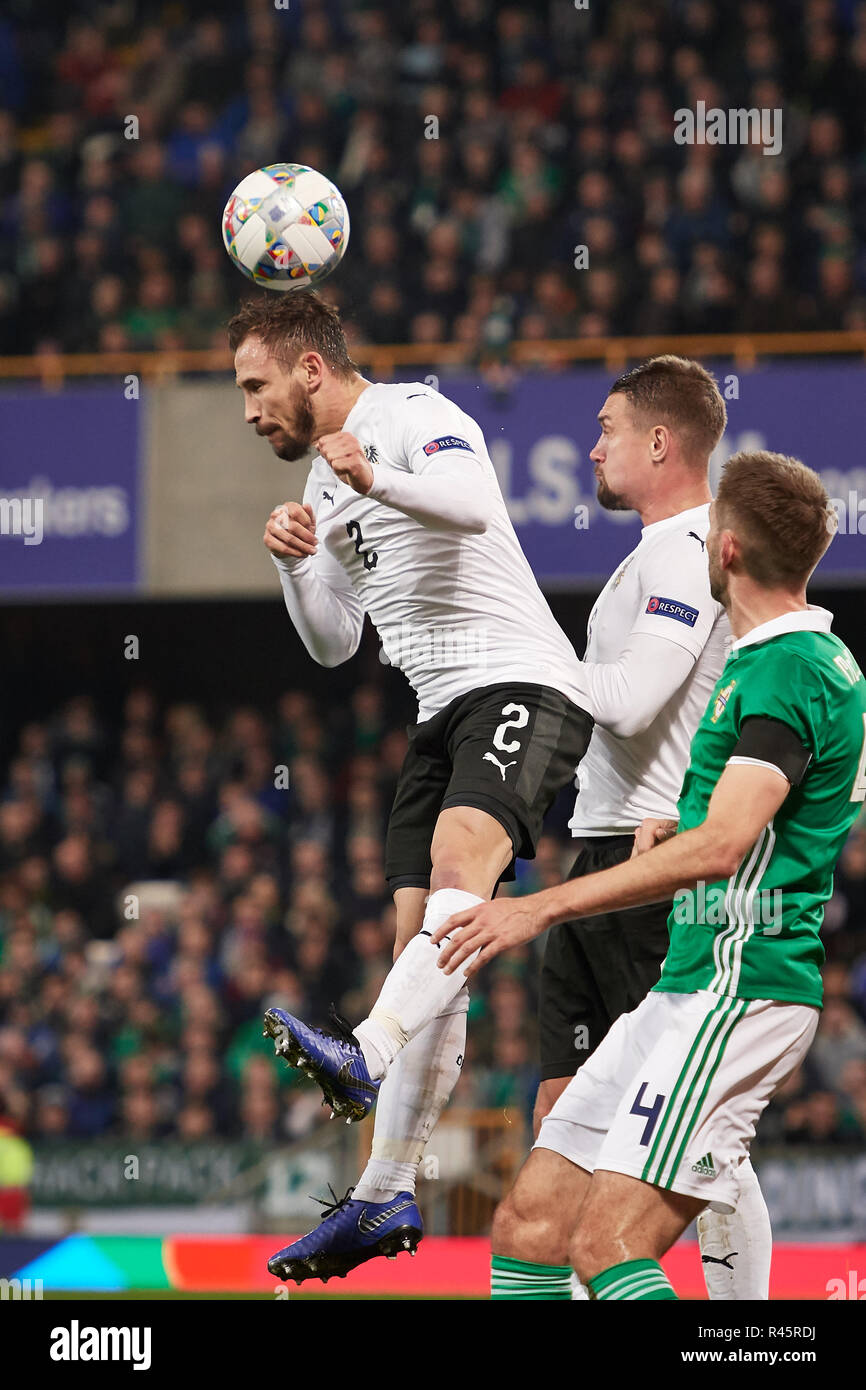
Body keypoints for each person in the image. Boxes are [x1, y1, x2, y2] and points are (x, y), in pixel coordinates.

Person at [432, 450, 866, 1300]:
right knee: (530, 1226)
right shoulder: (786, 661)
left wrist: (538, 910)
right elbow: (776, 810)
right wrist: (686, 824)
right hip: (685, 985)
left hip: (739, 990)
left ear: (728, 548)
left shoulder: (788, 668)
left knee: (611, 1246)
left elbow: (724, 849)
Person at [229, 290, 595, 1280]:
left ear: (311, 368)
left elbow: (477, 507)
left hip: (520, 680)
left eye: (257, 385)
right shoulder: (319, 477)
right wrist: (296, 568)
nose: (250, 408)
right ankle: (384, 1194)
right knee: (427, 948)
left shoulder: (413, 417)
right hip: (436, 715)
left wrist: (379, 477)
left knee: (453, 866)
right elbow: (333, 642)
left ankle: (362, 1057)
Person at [532, 355, 770, 1300]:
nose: (593, 447)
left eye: (608, 429)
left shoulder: (686, 551)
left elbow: (632, 704)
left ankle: (748, 1327)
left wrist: (525, 657)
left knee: (696, 1135)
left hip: (653, 865)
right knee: (562, 1113)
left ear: (660, 442)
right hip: (600, 848)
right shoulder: (656, 552)